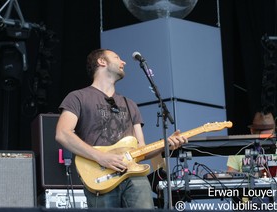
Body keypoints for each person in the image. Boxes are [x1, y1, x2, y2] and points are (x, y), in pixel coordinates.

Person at [55, 49, 187, 208]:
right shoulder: (78, 97)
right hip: (101, 175)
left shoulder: (130, 104)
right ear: (101, 62)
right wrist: (101, 157)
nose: (123, 62)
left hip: (135, 176)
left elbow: (141, 149)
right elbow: (62, 133)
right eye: (117, 58)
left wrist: (165, 144)